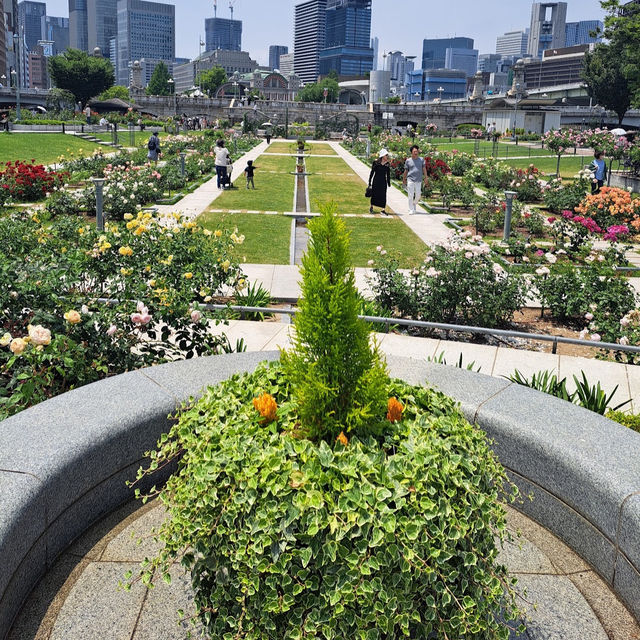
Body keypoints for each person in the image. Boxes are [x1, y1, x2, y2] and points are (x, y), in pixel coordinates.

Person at [402, 145, 428, 214]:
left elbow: (424, 169)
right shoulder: (408, 161)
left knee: (418, 195)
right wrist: (404, 179)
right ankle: (411, 209)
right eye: (414, 151)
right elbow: (406, 171)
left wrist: (426, 177)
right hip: (410, 179)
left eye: (416, 151)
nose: (416, 153)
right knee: (410, 195)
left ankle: (414, 203)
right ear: (411, 152)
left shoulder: (421, 160)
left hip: (418, 180)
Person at [367, 149, 391, 215]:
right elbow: (372, 172)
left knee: (383, 195)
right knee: (374, 194)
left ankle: (383, 209)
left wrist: (389, 182)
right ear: (383, 156)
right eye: (386, 155)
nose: (387, 156)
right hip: (376, 180)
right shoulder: (376, 163)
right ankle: (371, 207)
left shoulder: (387, 164)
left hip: (383, 181)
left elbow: (388, 174)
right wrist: (369, 181)